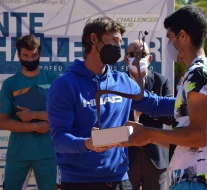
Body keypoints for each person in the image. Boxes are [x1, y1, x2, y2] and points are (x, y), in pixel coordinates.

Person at [46, 16, 175, 190]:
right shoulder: (65, 85)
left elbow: (156, 105)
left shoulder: (122, 81)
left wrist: (192, 102)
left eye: (120, 42)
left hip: (120, 180)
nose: (118, 47)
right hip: (79, 181)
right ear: (94, 39)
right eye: (113, 40)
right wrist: (87, 144)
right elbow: (59, 138)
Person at [120, 5, 207, 190]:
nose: (169, 43)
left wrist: (149, 133)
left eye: (169, 37)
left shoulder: (198, 74)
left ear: (182, 36)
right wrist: (147, 136)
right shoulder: (200, 72)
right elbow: (180, 130)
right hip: (191, 178)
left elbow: (199, 136)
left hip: (196, 180)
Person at [0, 35, 58, 190]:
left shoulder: (54, 79)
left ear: (40, 54)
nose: (30, 59)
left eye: (34, 55)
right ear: (18, 55)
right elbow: (2, 121)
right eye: (25, 55)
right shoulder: (10, 83)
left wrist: (33, 115)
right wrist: (35, 126)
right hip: (18, 153)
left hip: (48, 153)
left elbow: (64, 115)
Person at [124, 40, 172, 190]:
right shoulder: (118, 82)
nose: (138, 58)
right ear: (126, 58)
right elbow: (112, 116)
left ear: (150, 58)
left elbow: (171, 117)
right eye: (133, 54)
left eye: (142, 54)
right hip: (126, 157)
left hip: (156, 157)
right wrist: (134, 114)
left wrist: (150, 107)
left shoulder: (161, 81)